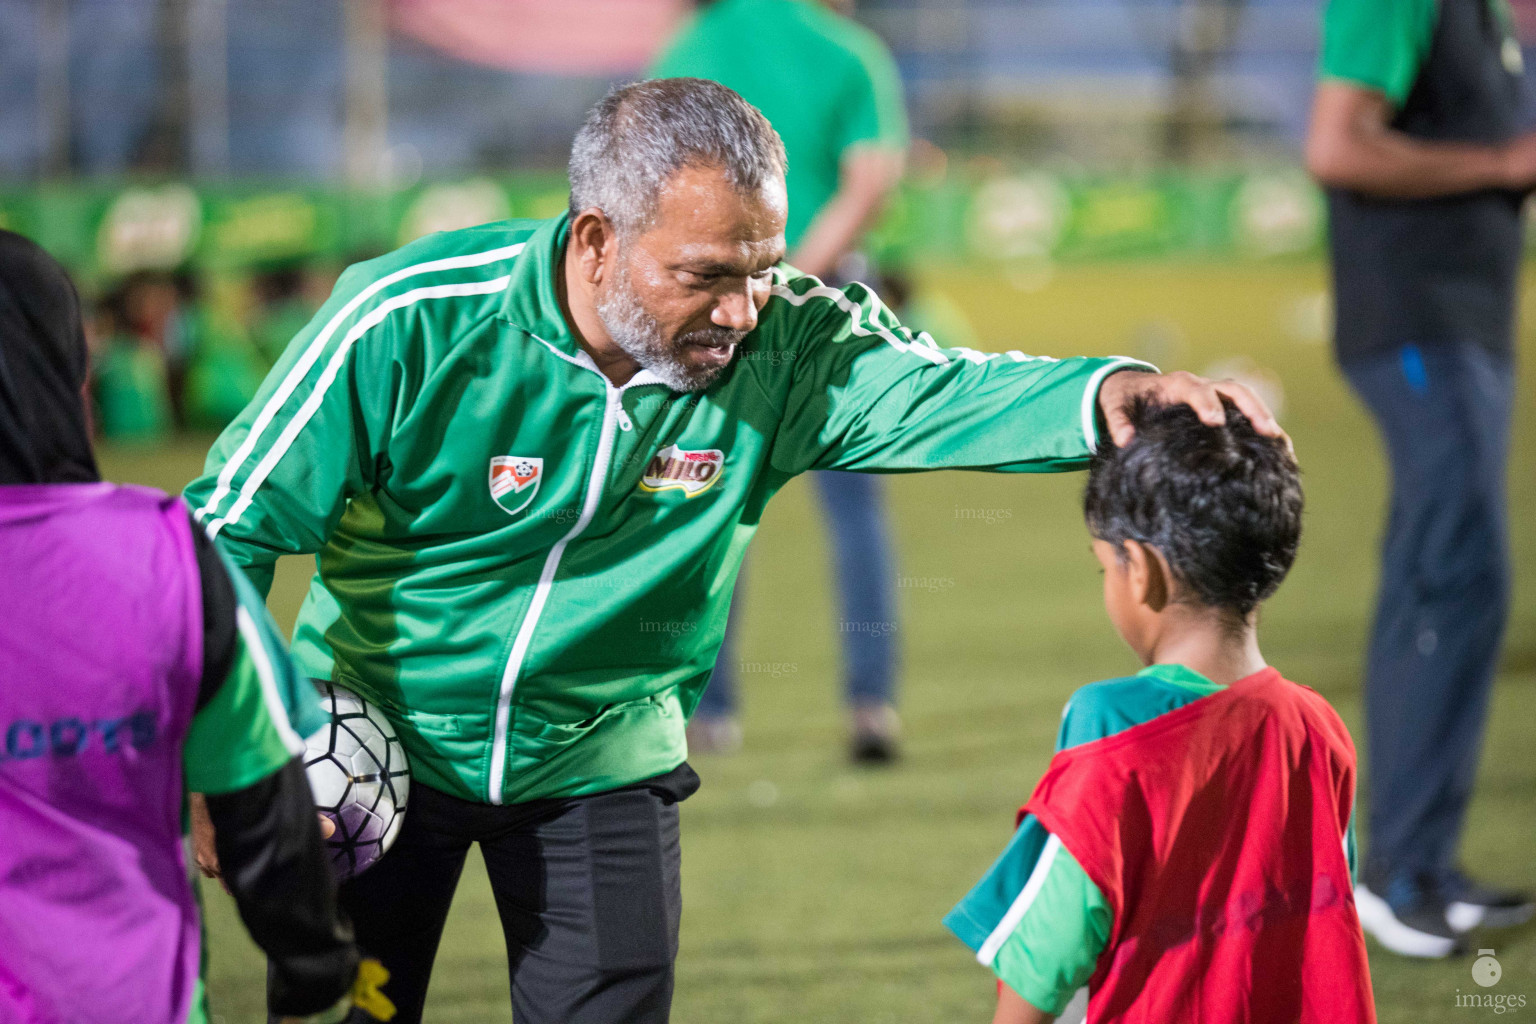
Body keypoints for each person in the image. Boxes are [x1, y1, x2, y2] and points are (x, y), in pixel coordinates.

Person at [184, 78, 1280, 1024]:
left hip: (599, 759)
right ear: (597, 238)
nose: (744, 308)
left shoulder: (790, 343)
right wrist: (226, 754)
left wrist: (1110, 392)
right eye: (708, 274)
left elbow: (946, 389)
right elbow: (226, 528)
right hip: (374, 755)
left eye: (760, 267)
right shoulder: (407, 320)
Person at [0, 229, 384, 1024]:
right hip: (126, 996)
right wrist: (316, 961)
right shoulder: (164, 556)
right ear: (74, 370)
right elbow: (263, 814)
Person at [946, 397, 1374, 1024]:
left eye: (1103, 566)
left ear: (1140, 570)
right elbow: (1327, 900)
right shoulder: (1320, 728)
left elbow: (1046, 951)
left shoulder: (1112, 723)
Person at [1306, 0, 1536, 956]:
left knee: (1451, 580)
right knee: (1453, 574)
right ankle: (1394, 876)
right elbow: (1336, 145)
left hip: (1463, 327)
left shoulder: (1484, 15)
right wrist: (1506, 166)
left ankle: (1420, 862)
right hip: (1417, 323)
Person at [651, 0, 911, 761]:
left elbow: (654, 181)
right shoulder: (850, 49)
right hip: (824, 303)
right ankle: (871, 705)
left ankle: (706, 711)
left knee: (703, 509)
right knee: (856, 517)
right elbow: (870, 181)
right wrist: (796, 274)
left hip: (714, 302)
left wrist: (738, 279)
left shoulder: (692, 41)